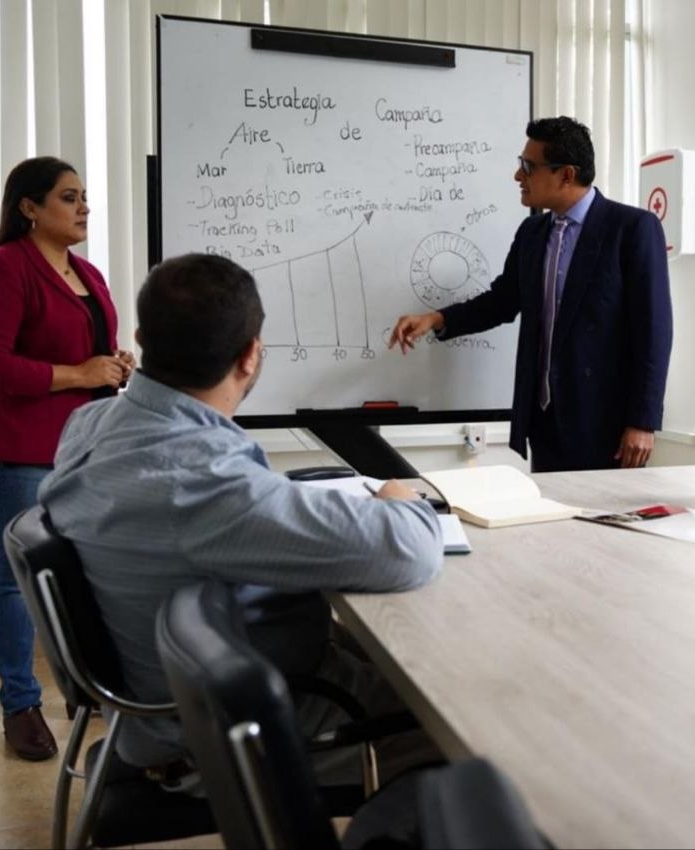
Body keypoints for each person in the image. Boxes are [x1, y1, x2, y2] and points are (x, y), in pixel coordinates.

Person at [38, 253, 443, 787]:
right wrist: (400, 496)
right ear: (251, 356)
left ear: (140, 338)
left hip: (159, 710)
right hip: (232, 733)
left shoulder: (89, 424)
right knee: (472, 724)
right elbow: (409, 551)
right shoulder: (202, 484)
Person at [0, 156, 134, 761]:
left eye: (84, 196)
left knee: (85, 574)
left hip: (88, 446)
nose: (83, 207)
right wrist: (76, 373)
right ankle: (20, 707)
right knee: (16, 578)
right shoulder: (2, 268)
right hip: (21, 450)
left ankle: (85, 690)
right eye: (68, 196)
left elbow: (87, 354)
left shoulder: (87, 273)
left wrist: (112, 362)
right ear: (28, 207)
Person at [387, 116, 673, 472]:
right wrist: (436, 319)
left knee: (599, 526)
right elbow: (502, 301)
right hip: (544, 422)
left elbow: (654, 332)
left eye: (528, 166)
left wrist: (642, 421)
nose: (518, 176)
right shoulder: (533, 232)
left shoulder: (632, 229)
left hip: (607, 427)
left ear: (566, 174)